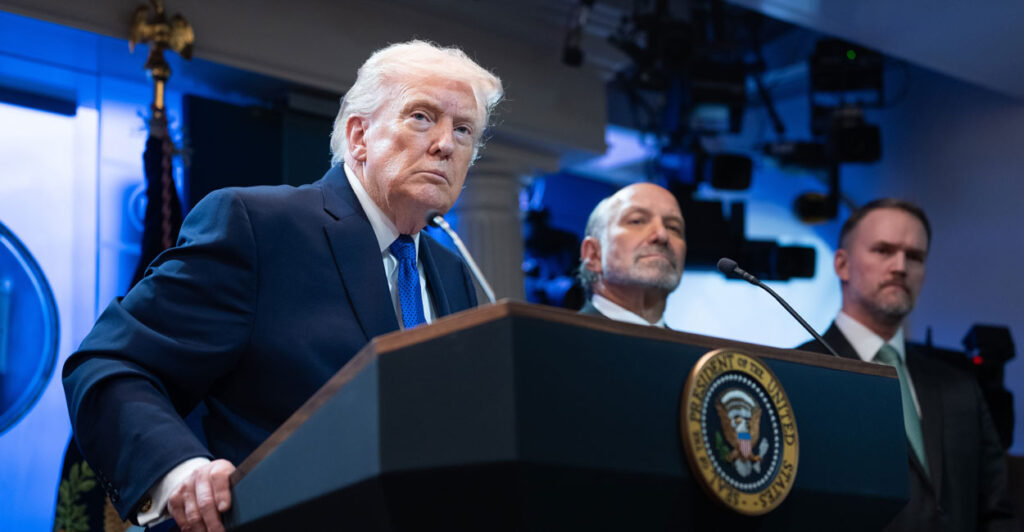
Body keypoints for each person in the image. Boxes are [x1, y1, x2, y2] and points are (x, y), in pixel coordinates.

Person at [62, 40, 503, 532]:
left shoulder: (452, 269)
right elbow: (111, 362)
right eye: (422, 117)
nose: (445, 144)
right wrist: (178, 472)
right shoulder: (258, 226)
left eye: (463, 129)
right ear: (359, 135)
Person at [798, 198, 1015, 531]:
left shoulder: (960, 388)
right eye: (883, 250)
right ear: (842, 264)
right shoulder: (799, 374)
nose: (900, 266)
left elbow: (997, 512)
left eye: (915, 256)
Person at [576, 183, 686, 326]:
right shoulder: (555, 338)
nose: (662, 235)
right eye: (637, 221)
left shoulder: (701, 343)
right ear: (593, 254)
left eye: (673, 227)